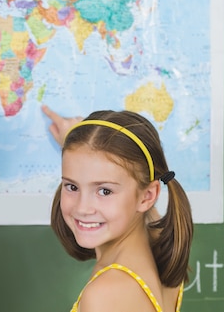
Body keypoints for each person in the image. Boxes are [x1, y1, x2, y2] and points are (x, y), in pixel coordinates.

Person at [42, 106, 193, 312]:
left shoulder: (104, 295)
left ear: (147, 196)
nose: (83, 208)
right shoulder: (159, 246)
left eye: (104, 191)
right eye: (72, 186)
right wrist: (79, 142)